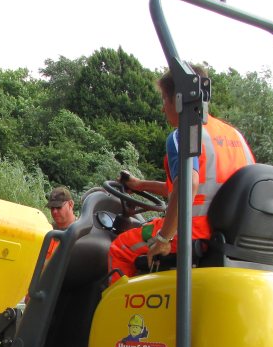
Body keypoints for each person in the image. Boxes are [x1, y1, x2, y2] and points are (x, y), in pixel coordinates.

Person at [107, 65, 255, 282]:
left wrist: (164, 237)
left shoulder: (184, 134)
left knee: (120, 248)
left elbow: (188, 184)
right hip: (234, 235)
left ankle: (116, 314)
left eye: (164, 100)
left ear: (178, 100)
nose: (162, 108)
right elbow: (187, 189)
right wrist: (139, 185)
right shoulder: (235, 137)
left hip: (193, 232)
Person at [45, 186, 77, 260]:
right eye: (52, 208)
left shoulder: (79, 232)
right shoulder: (47, 229)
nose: (54, 211)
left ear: (71, 204)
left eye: (59, 207)